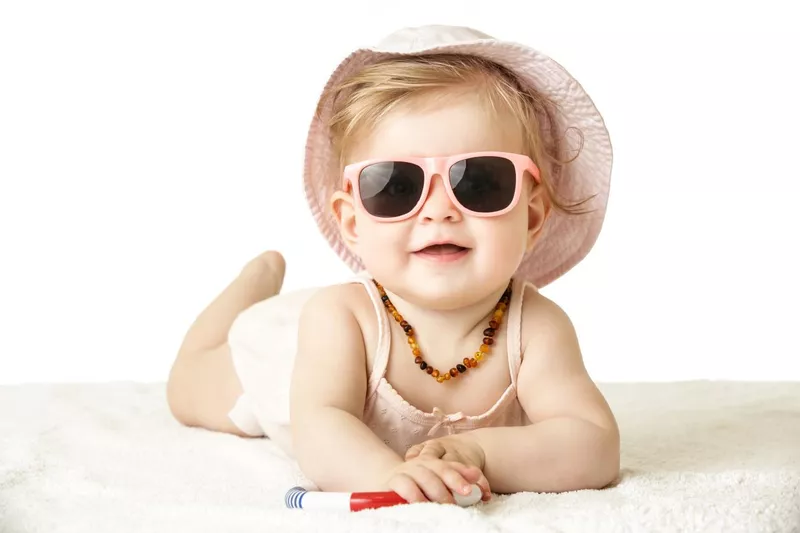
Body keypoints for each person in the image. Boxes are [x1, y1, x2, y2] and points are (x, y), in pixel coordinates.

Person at [167, 24, 620, 505]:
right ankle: (253, 281)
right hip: (286, 357)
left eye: (480, 182)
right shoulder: (340, 318)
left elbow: (593, 444)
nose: (439, 210)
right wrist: (392, 478)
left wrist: (479, 450)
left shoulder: (537, 329)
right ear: (353, 222)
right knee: (189, 391)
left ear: (530, 216)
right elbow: (321, 427)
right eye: (397, 187)